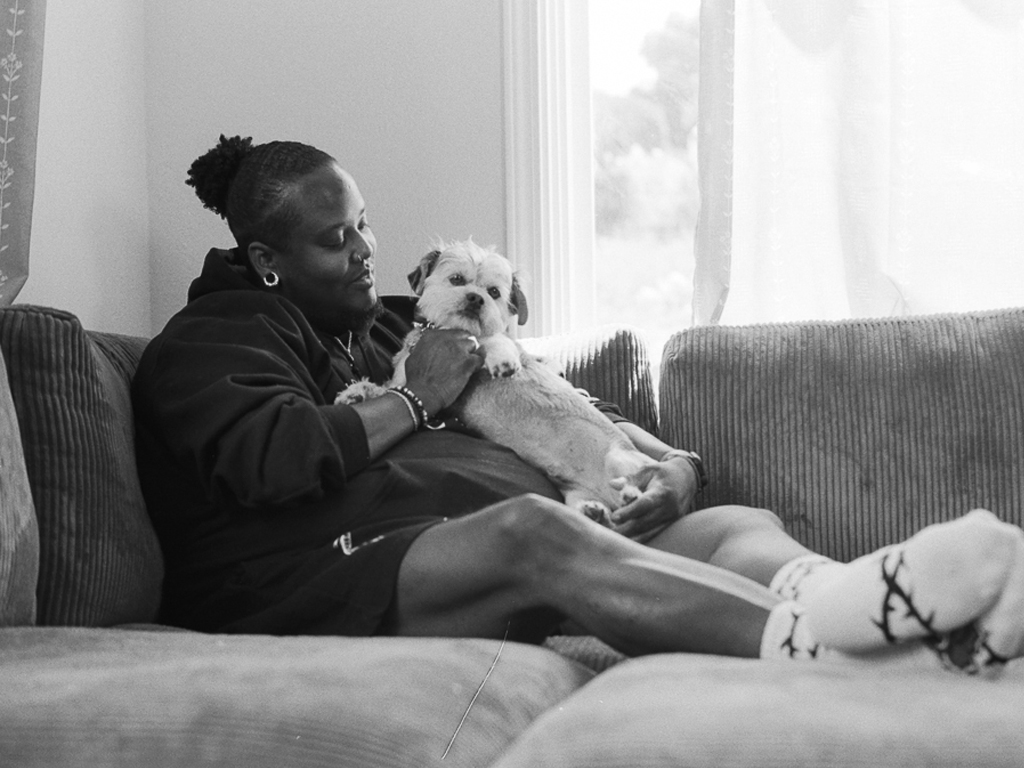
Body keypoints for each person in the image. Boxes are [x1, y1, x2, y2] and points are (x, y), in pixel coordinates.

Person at [131, 134, 1024, 675]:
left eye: (364, 222)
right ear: (265, 260)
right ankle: (864, 648)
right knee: (536, 531)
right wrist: (412, 395)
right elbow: (275, 457)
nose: (367, 249)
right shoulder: (215, 339)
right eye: (336, 239)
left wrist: (678, 468)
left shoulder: (381, 324)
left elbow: (551, 399)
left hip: (458, 548)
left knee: (731, 524)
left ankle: (872, 598)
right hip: (318, 586)